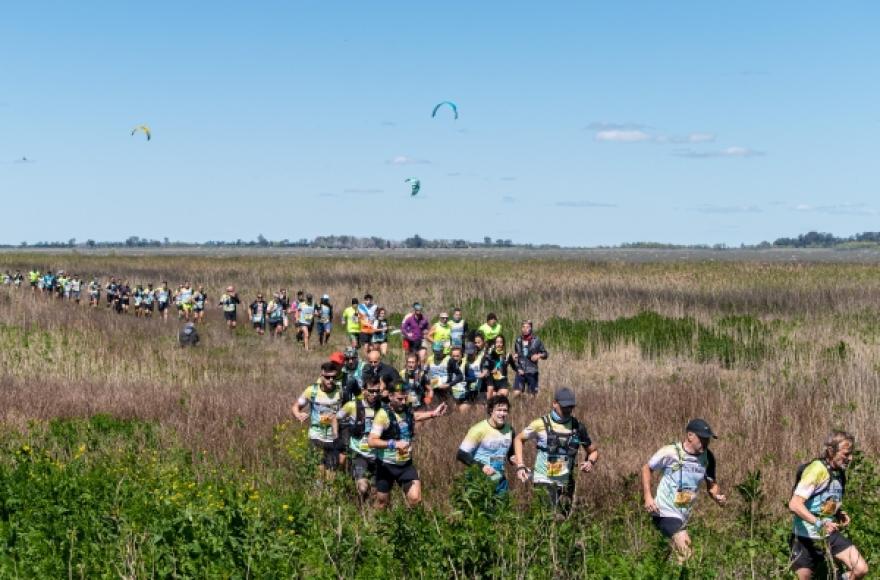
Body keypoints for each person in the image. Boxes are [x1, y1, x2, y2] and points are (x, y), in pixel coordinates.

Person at [641, 418, 727, 564]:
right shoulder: (670, 452)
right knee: (687, 553)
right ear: (690, 436)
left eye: (708, 439)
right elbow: (646, 468)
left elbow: (712, 484)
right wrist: (648, 497)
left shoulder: (708, 458)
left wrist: (717, 495)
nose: (706, 443)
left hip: (683, 514)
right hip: (664, 511)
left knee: (676, 560)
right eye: (703, 439)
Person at [788, 431, 868, 580]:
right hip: (804, 537)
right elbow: (794, 504)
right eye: (846, 454)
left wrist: (838, 512)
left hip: (828, 535)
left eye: (851, 454)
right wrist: (819, 523)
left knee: (860, 569)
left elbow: (824, 498)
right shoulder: (816, 470)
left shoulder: (839, 472)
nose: (850, 458)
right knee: (804, 577)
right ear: (831, 452)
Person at [514, 387, 599, 514]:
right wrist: (520, 465)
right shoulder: (540, 423)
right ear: (554, 403)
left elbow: (593, 451)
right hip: (543, 479)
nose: (567, 410)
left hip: (566, 481)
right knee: (546, 516)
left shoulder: (577, 427)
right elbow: (518, 439)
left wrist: (590, 462)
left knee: (563, 518)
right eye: (564, 406)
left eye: (570, 407)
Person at [367, 381, 447, 509]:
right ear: (391, 396)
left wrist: (433, 414)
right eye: (399, 399)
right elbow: (371, 441)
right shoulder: (382, 415)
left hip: (405, 465)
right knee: (382, 503)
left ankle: (409, 526)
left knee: (415, 499)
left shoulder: (407, 409)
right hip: (386, 465)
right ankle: (376, 526)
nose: (403, 402)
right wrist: (394, 444)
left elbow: (415, 416)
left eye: (405, 398)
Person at [291, 362, 343, 476]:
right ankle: (317, 491)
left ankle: (329, 493)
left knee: (331, 475)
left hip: (333, 437)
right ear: (321, 375)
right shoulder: (312, 390)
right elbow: (296, 406)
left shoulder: (340, 391)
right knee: (319, 473)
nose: (330, 380)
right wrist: (298, 414)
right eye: (327, 377)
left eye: (333, 377)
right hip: (316, 435)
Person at [336, 376, 383, 501]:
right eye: (371, 391)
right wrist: (337, 436)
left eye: (377, 391)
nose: (374, 394)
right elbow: (335, 418)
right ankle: (357, 503)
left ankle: (366, 513)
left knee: (375, 492)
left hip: (377, 454)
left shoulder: (383, 407)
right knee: (363, 487)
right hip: (358, 453)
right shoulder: (352, 406)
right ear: (364, 390)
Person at [457, 395, 515, 494]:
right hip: (478, 477)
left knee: (502, 507)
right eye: (499, 410)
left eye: (505, 410)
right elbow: (461, 454)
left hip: (498, 476)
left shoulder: (510, 430)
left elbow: (510, 454)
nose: (502, 413)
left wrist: (515, 460)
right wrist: (482, 467)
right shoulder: (478, 429)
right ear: (491, 410)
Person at [512, 320, 549, 397]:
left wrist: (538, 356)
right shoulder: (518, 340)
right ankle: (521, 405)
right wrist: (518, 368)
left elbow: (546, 354)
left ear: (531, 328)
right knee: (516, 393)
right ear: (521, 328)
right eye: (523, 327)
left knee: (531, 397)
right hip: (521, 370)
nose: (525, 329)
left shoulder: (537, 340)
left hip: (532, 371)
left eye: (527, 327)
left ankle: (527, 404)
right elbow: (516, 357)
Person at [482, 335, 515, 399]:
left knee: (504, 393)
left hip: (502, 382)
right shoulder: (489, 354)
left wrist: (520, 368)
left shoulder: (508, 355)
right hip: (491, 382)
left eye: (501, 342)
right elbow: (484, 366)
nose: (499, 344)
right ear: (494, 344)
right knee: (492, 395)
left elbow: (515, 367)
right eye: (497, 342)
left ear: (503, 344)